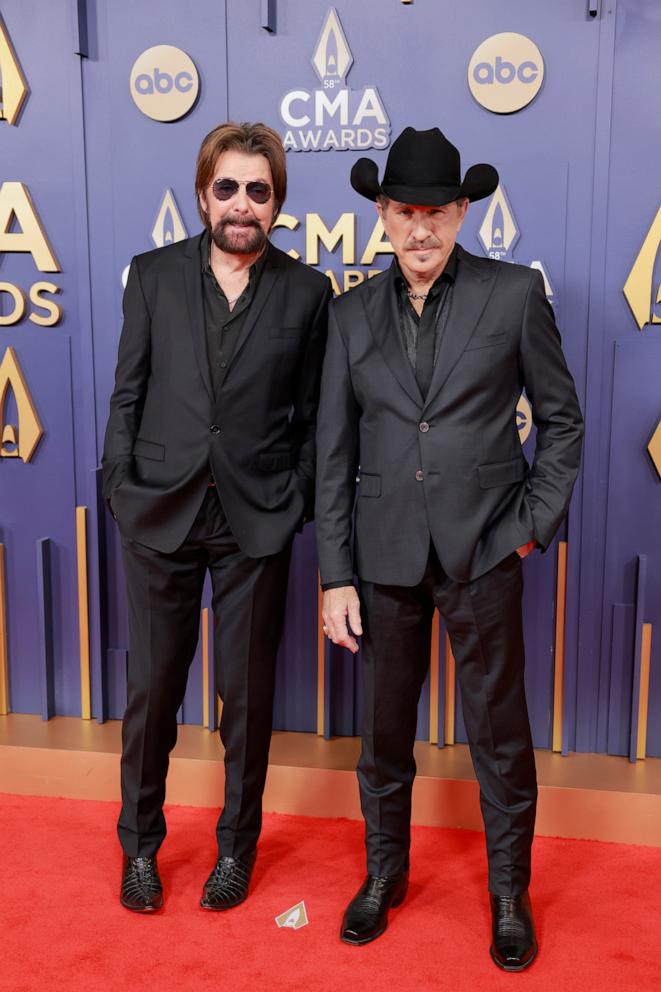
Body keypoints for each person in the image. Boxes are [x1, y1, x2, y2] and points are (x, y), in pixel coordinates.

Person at [315, 127, 583, 970]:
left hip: (484, 551)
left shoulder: (511, 296)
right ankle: (383, 875)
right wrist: (334, 575)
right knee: (382, 733)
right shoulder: (349, 312)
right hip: (382, 557)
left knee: (499, 734)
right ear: (382, 215)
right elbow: (332, 452)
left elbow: (562, 422)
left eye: (435, 211)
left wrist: (529, 527)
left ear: (463, 212)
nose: (419, 229)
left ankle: (509, 892)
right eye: (403, 212)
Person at [102, 121, 332, 914]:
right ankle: (140, 849)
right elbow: (128, 392)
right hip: (158, 513)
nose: (241, 204)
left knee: (246, 697)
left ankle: (235, 849)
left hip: (254, 521)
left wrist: (293, 497)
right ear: (203, 194)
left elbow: (312, 416)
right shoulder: (153, 276)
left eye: (258, 191)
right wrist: (120, 489)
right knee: (153, 692)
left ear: (277, 203)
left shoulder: (308, 293)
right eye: (227, 188)